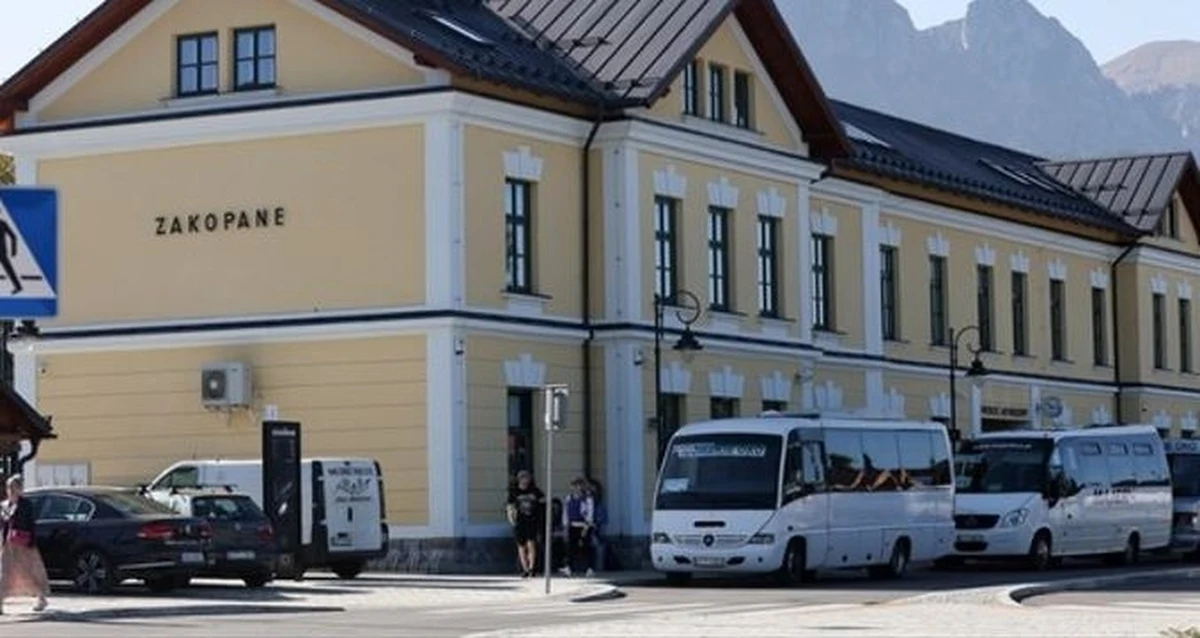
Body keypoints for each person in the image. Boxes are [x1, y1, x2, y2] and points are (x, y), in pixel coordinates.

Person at [0, 475, 49, 615]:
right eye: (8, 487)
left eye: (13, 487)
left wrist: (32, 542)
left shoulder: (26, 505)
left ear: (19, 488)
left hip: (24, 544)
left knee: (31, 573)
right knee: (4, 572)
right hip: (8, 545)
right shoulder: (4, 505)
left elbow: (31, 524)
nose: (10, 490)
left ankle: (41, 598)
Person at [505, 470, 544, 578]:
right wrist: (512, 519)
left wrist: (540, 519)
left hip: (532, 521)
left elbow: (541, 505)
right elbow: (509, 507)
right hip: (519, 522)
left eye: (527, 478)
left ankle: (532, 568)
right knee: (521, 546)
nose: (525, 480)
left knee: (531, 544)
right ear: (519, 480)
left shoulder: (535, 491)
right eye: (522, 478)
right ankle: (525, 568)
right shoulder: (514, 491)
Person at [560, 477, 595, 578]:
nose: (577, 488)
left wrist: (587, 526)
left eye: (580, 485)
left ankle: (589, 568)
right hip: (572, 525)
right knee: (571, 547)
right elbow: (565, 512)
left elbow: (590, 512)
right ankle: (569, 568)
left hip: (584, 525)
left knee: (586, 547)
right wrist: (565, 525)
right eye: (575, 486)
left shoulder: (587, 499)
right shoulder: (569, 498)